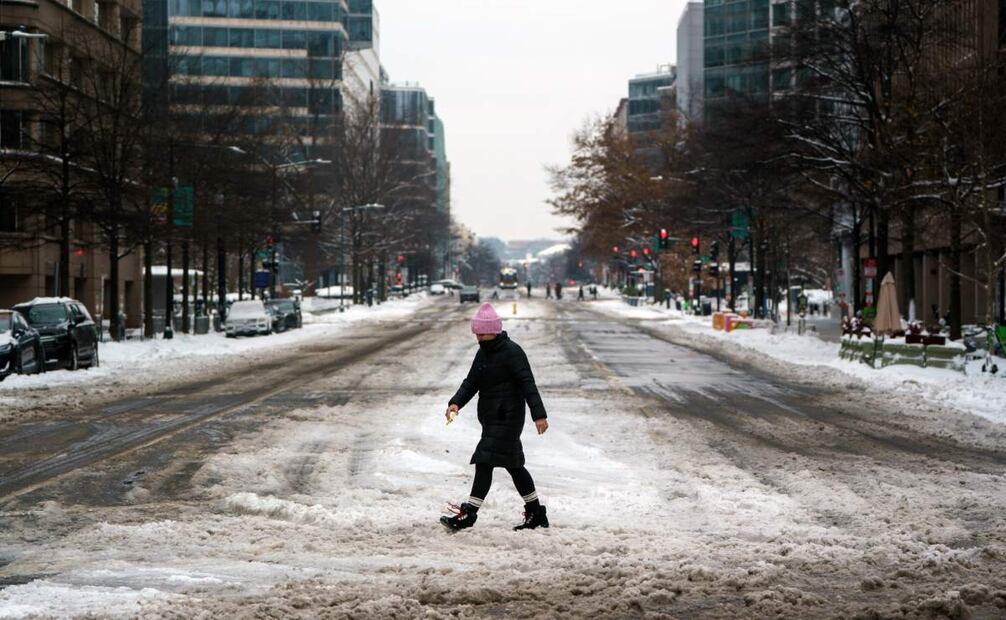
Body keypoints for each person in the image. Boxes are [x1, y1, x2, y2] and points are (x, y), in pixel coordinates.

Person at [442, 303, 550, 532]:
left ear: (494, 331)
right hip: (491, 418)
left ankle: (469, 513)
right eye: (476, 334)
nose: (478, 338)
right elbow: (471, 382)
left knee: (484, 460)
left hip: (509, 418)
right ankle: (536, 511)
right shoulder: (483, 353)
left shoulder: (513, 352)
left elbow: (527, 384)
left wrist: (538, 415)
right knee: (514, 466)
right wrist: (455, 403)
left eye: (481, 333)